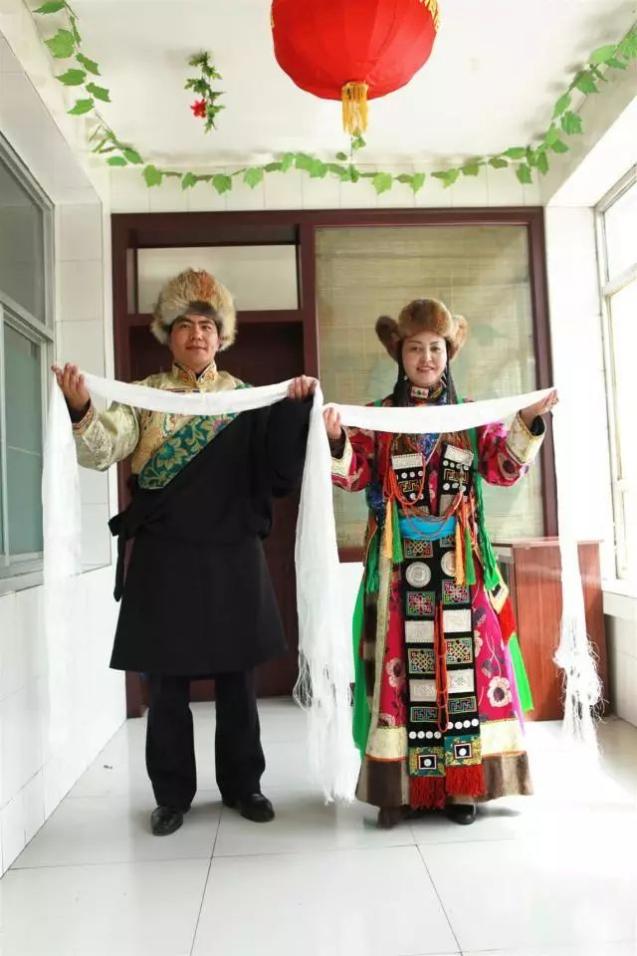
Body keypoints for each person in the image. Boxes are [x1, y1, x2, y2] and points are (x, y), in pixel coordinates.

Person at [53, 268, 315, 835]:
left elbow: (278, 474)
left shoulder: (248, 400)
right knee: (166, 683)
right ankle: (171, 795)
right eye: (186, 325)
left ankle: (244, 785)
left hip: (233, 554)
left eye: (207, 326)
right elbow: (102, 450)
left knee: (237, 679)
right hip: (164, 558)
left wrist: (294, 408)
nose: (197, 334)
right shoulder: (144, 397)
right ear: (167, 335)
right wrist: (80, 407)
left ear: (222, 337)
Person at [324, 299, 557, 827]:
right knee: (400, 674)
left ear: (448, 354)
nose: (426, 358)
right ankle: (397, 790)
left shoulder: (470, 416)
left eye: (435, 348)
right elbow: (352, 476)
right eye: (415, 348)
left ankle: (463, 787)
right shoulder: (379, 417)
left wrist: (528, 421)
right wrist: (338, 437)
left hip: (459, 565)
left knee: (465, 669)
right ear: (400, 355)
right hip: (398, 566)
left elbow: (502, 469)